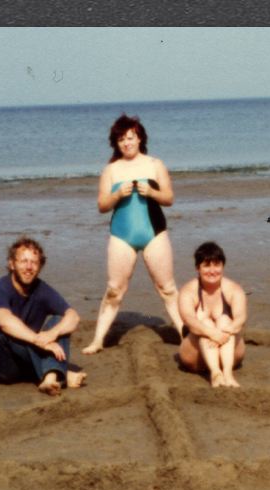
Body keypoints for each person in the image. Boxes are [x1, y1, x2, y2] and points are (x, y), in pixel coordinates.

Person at [81, 114, 185, 354]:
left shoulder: (154, 164)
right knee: (114, 290)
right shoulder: (111, 170)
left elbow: (169, 198)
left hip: (154, 233)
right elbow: (102, 206)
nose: (127, 143)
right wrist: (117, 195)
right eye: (121, 139)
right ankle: (98, 341)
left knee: (167, 288)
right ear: (116, 143)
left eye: (131, 137)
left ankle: (185, 335)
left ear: (140, 139)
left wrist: (151, 192)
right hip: (121, 235)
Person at [0, 236, 86, 396]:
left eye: (34, 262)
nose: (29, 267)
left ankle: (50, 378)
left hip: (26, 361)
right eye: (23, 261)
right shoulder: (0, 288)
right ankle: (62, 373)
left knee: (59, 322)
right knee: (8, 334)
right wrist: (39, 341)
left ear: (40, 266)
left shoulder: (41, 289)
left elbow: (73, 317)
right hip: (1, 365)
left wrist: (52, 334)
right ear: (12, 264)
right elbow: (5, 322)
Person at [177, 241, 247, 388]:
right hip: (196, 357)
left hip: (230, 354)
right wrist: (211, 333)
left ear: (223, 266)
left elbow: (240, 318)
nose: (212, 270)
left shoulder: (233, 289)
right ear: (198, 268)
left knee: (224, 319)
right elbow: (189, 320)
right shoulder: (188, 291)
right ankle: (215, 373)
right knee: (205, 322)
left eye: (217, 265)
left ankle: (227, 374)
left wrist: (222, 333)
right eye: (207, 265)